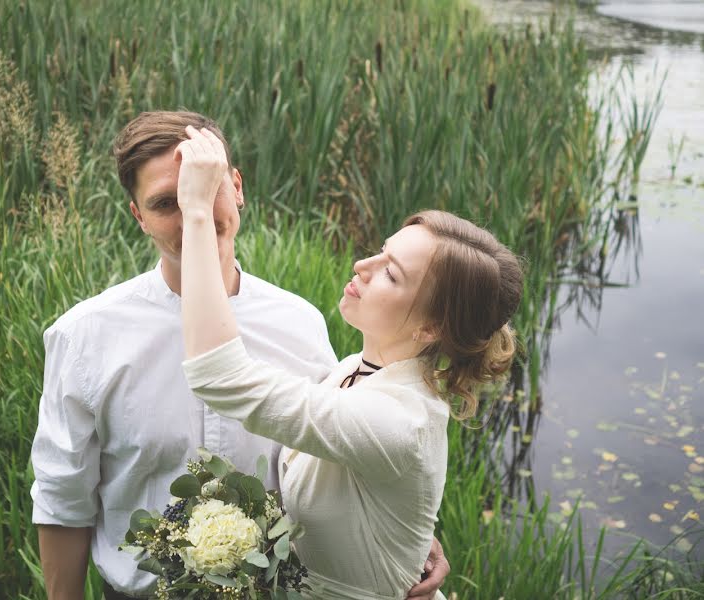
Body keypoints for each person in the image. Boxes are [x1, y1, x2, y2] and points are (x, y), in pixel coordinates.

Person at [30, 111, 449, 600]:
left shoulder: (300, 323)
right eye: (168, 202)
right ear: (138, 217)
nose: (193, 216)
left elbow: (342, 458)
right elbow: (64, 502)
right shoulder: (85, 336)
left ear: (237, 187)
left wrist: (407, 541)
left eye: (205, 191)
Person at [177, 126, 522, 599]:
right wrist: (409, 538)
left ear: (430, 329)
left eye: (391, 273)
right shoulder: (352, 370)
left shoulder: (398, 420)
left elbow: (220, 376)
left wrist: (196, 212)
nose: (363, 266)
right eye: (381, 250)